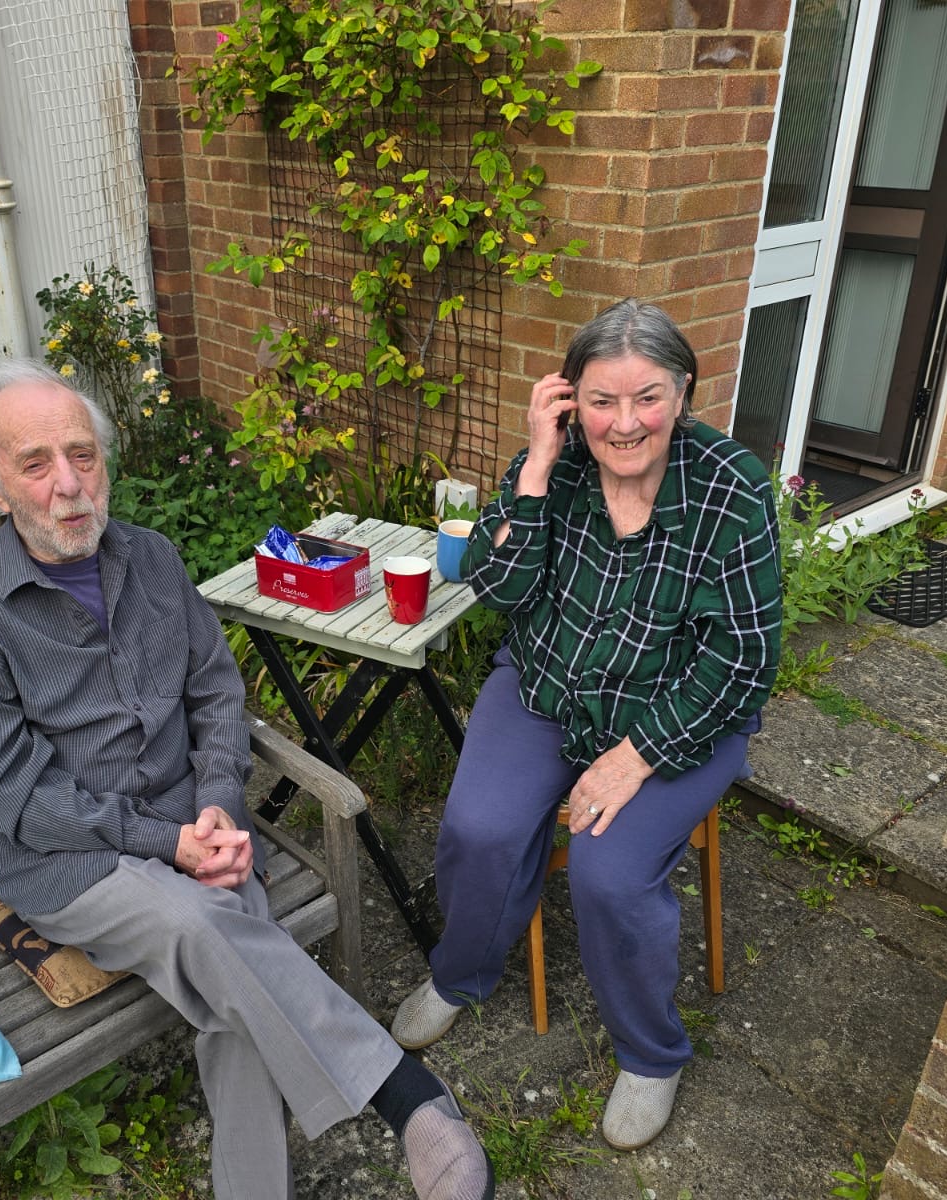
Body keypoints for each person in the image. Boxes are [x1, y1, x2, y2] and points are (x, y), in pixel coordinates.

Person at [0, 361, 494, 1200]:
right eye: (36, 463)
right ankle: (404, 1095)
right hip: (67, 858)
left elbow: (216, 696)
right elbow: (18, 798)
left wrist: (220, 808)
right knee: (203, 921)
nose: (68, 485)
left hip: (195, 825)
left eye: (82, 454)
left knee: (229, 971)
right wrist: (171, 844)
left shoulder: (152, 559)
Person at [389, 300, 783, 1150]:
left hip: (680, 710)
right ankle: (460, 974)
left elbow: (745, 658)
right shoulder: (553, 465)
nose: (624, 423)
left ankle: (651, 1053)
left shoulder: (732, 489)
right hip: (546, 684)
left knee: (609, 872)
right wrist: (536, 466)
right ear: (570, 399)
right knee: (480, 828)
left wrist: (638, 755)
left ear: (683, 392)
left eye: (647, 398)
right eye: (602, 401)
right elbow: (497, 587)